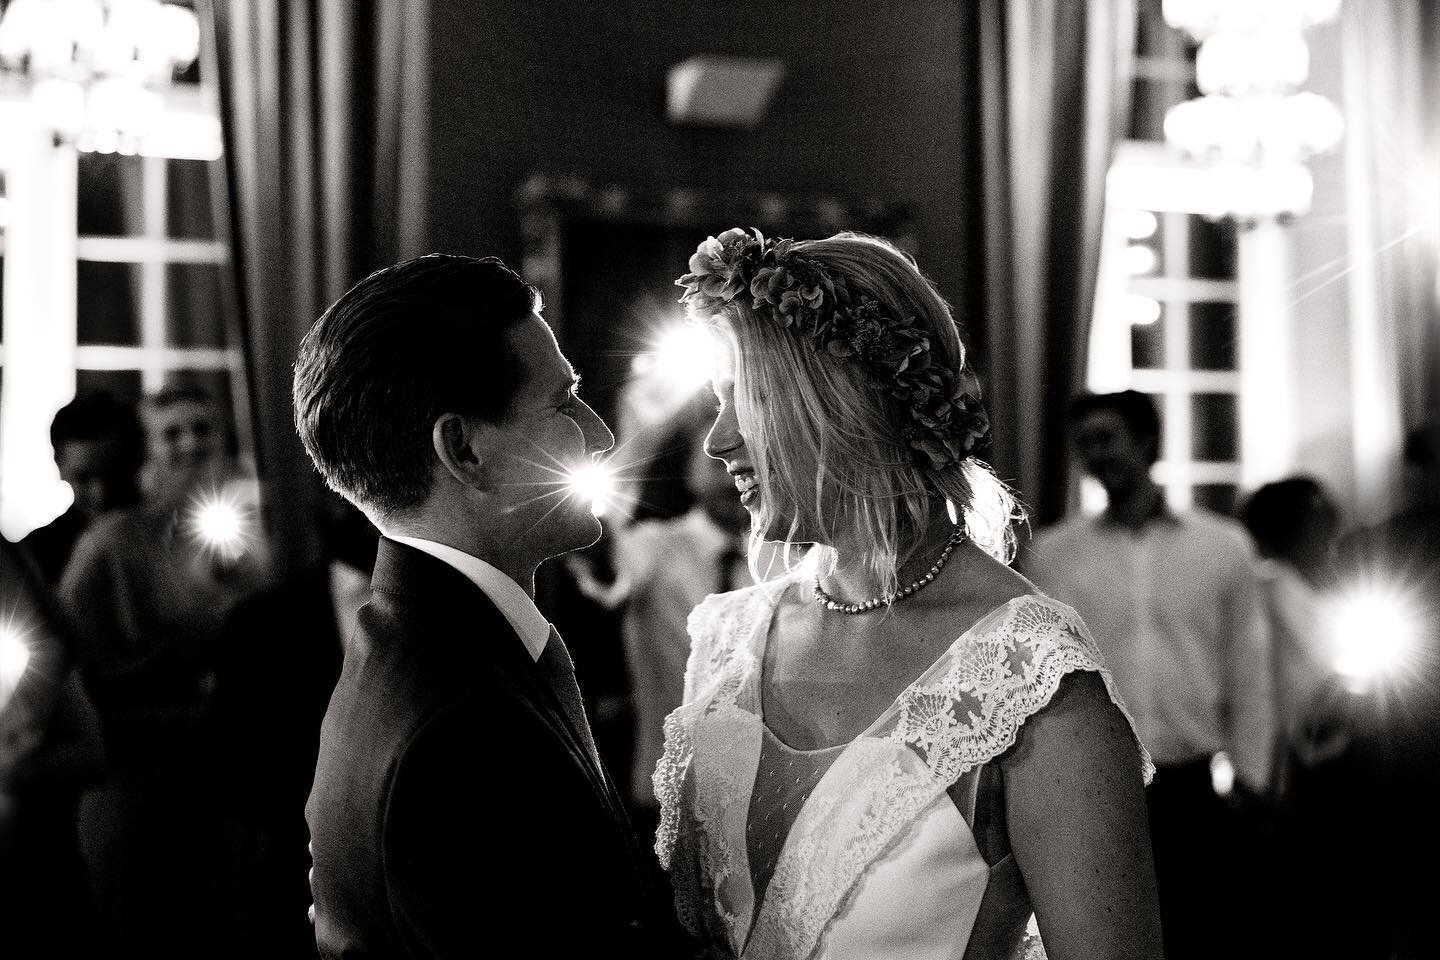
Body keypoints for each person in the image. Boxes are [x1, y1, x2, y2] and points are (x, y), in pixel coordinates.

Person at [656, 229, 1162, 959]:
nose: (717, 440)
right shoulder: (729, 639)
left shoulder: (1032, 681)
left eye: (746, 398)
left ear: (844, 399)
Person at [295, 254, 683, 958]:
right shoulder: (461, 726)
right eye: (565, 403)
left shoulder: (418, 639)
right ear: (464, 449)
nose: (598, 433)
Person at [1025, 389, 1272, 960]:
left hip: (1192, 788)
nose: (1095, 454)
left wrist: (1254, 781)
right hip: (1096, 786)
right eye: (1084, 443)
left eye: (1107, 438)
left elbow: (1248, 671)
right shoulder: (1053, 556)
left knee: (1202, 932)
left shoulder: (1223, 547)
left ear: (1147, 441)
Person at [58, 385, 268, 958]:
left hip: (212, 785)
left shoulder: (223, 526)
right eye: (170, 436)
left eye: (202, 431)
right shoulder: (111, 543)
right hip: (137, 790)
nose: (189, 448)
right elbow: (70, 679)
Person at [20, 391, 144, 584]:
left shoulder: (172, 536)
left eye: (113, 474)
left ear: (137, 462)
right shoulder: (37, 551)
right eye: (83, 478)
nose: (101, 493)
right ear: (59, 466)